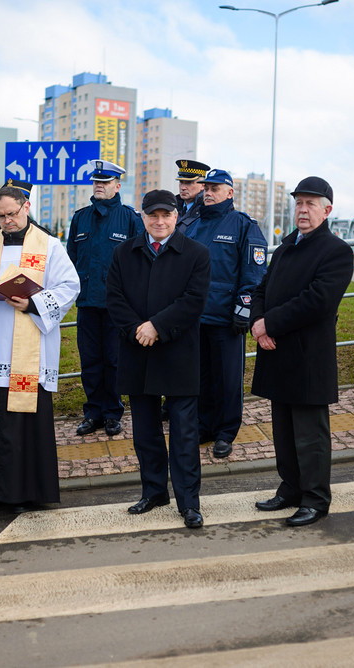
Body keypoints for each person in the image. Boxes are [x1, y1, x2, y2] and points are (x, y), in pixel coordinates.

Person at [0, 185, 79, 514]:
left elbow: (69, 286)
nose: (7, 221)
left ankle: (24, 495)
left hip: (28, 352)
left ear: (26, 207)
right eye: (0, 215)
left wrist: (33, 301)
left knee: (22, 425)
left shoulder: (48, 245)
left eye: (12, 213)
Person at [251, 177, 354, 527]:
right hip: (277, 351)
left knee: (310, 435)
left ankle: (315, 498)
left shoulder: (336, 251)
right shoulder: (283, 249)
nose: (303, 209)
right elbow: (261, 289)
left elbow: (318, 301)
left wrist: (270, 324)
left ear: (327, 210)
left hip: (308, 357)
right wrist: (257, 322)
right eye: (299, 203)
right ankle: (291, 488)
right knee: (282, 430)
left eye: (310, 203)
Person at [107, 189, 210, 529]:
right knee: (146, 432)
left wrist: (157, 327)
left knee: (183, 433)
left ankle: (189, 502)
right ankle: (153, 492)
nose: (160, 221)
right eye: (153, 215)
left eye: (166, 215)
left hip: (178, 352)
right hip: (138, 351)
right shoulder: (124, 253)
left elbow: (193, 301)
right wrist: (138, 328)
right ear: (143, 216)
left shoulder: (196, 253)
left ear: (177, 216)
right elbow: (115, 298)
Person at [182, 168, 267, 458]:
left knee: (228, 379)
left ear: (230, 192)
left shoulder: (243, 226)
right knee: (201, 377)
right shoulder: (192, 226)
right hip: (196, 318)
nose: (208, 192)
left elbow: (253, 274)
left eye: (215, 188)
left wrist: (243, 311)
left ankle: (226, 432)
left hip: (227, 318)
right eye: (206, 187)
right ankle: (204, 426)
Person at [66, 160, 143, 437]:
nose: (99, 185)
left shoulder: (131, 219)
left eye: (105, 182)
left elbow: (140, 264)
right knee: (89, 361)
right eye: (96, 181)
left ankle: (112, 413)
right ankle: (92, 413)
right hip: (87, 303)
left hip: (117, 307)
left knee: (113, 361)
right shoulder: (80, 218)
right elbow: (71, 260)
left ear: (117, 186)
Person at [175, 159, 209, 229]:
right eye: (181, 182)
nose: (183, 187)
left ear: (202, 185)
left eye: (188, 183)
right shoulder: (173, 207)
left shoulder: (207, 210)